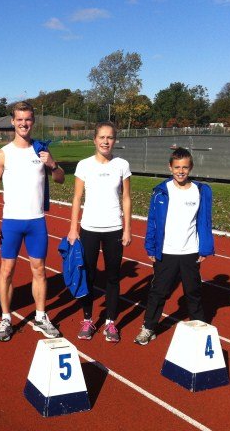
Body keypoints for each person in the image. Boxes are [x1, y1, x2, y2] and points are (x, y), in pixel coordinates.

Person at [0, 101, 65, 342]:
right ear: (12, 122)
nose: (23, 123)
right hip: (12, 222)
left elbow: (60, 178)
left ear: (33, 121)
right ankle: (6, 318)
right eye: (19, 119)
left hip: (36, 222)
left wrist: (52, 164)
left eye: (28, 119)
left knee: (39, 270)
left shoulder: (41, 150)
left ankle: (40, 316)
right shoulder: (3, 154)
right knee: (7, 271)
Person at [134, 147, 214, 345]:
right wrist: (150, 246)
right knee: (159, 292)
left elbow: (205, 221)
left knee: (193, 291)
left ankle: (199, 327)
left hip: (190, 251)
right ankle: (149, 327)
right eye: (177, 167)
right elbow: (153, 221)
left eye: (185, 167)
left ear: (190, 168)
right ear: (170, 167)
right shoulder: (161, 191)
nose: (181, 171)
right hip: (166, 251)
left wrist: (205, 248)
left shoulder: (200, 191)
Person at [67, 121, 132, 343]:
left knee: (113, 277)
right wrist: (73, 228)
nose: (106, 141)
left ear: (115, 140)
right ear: (94, 139)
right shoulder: (84, 165)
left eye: (110, 137)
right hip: (89, 229)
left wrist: (127, 228)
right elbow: (77, 197)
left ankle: (110, 322)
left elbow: (126, 198)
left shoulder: (122, 165)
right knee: (89, 276)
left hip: (114, 228)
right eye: (102, 137)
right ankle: (87, 319)